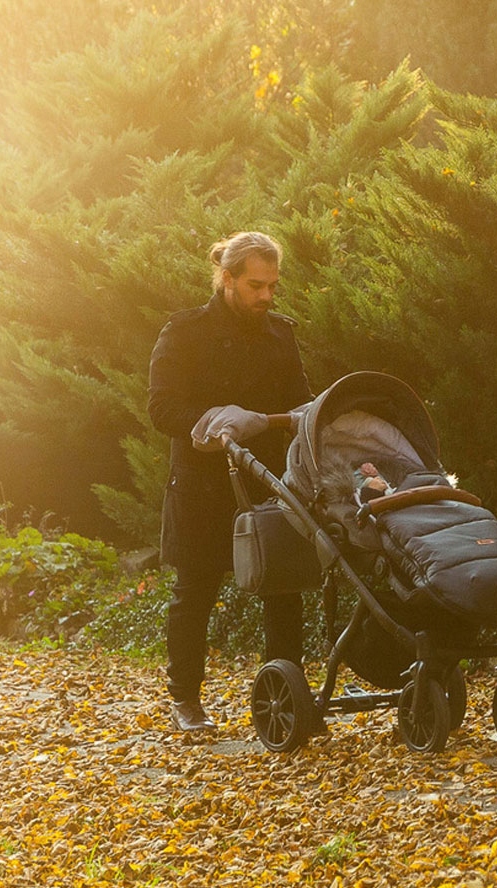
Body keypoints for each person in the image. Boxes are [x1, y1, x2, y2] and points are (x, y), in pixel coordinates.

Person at [147, 231, 314, 732]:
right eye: (255, 285)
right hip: (201, 484)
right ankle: (185, 700)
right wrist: (215, 420)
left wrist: (266, 421)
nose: (266, 296)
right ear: (227, 279)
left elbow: (302, 405)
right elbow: (161, 408)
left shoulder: (281, 333)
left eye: (272, 286)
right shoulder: (183, 332)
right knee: (195, 590)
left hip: (267, 479)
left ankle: (285, 699)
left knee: (285, 589)